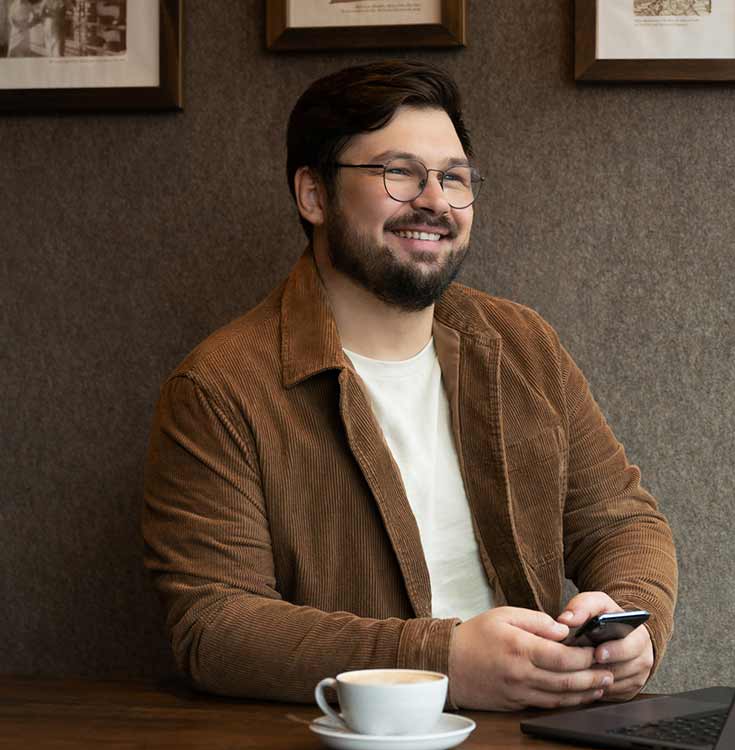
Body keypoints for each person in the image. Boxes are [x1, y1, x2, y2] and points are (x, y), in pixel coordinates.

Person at [141, 60, 678, 711]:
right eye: (399, 173)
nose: (435, 200)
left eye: (454, 177)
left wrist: (634, 623)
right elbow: (214, 628)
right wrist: (441, 662)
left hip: (539, 742)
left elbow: (621, 521)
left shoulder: (523, 345)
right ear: (313, 195)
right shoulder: (220, 388)